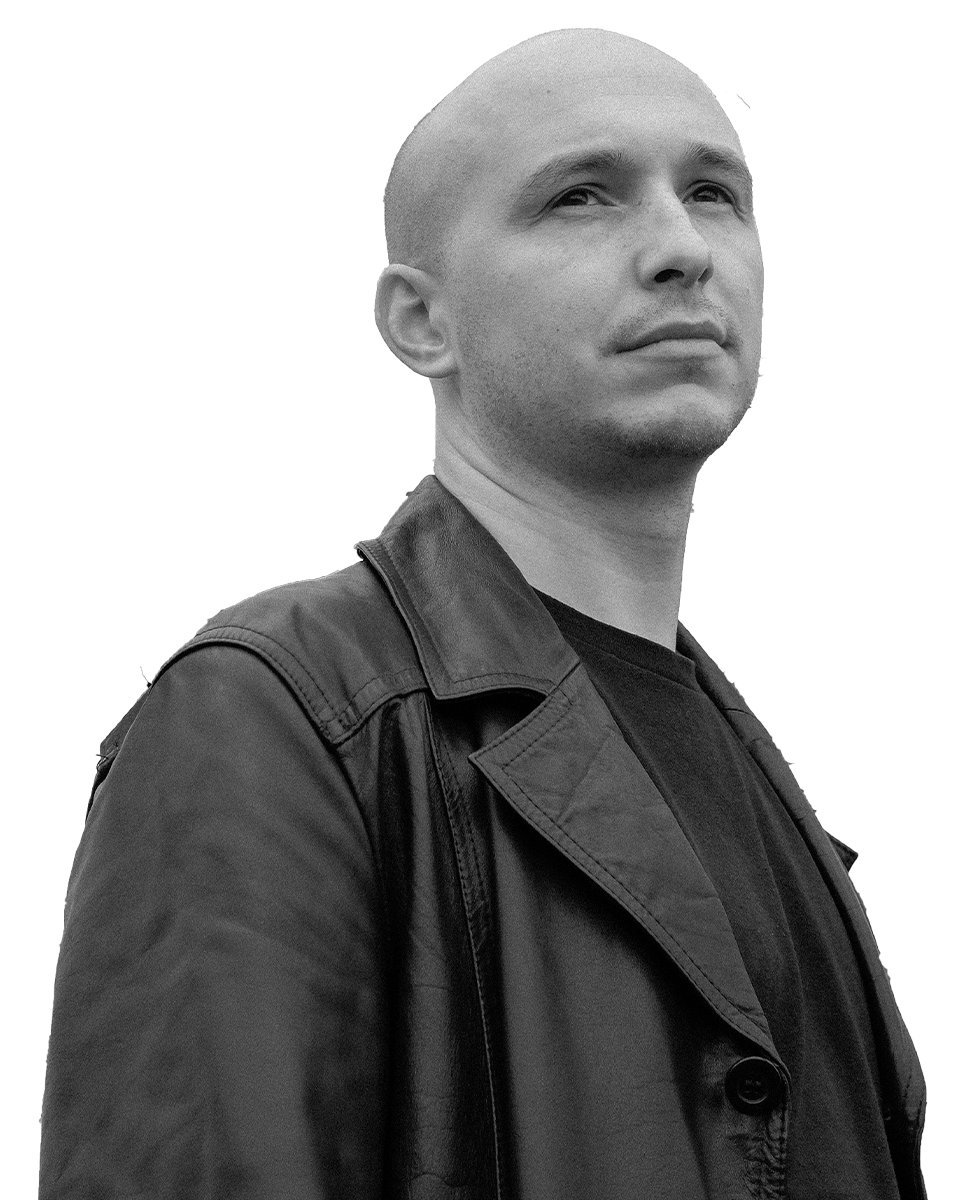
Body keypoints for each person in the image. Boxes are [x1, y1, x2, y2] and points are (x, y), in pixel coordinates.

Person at [38, 27, 926, 1200]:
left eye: (714, 193)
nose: (680, 247)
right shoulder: (276, 716)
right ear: (421, 322)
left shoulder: (766, 786)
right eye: (579, 197)